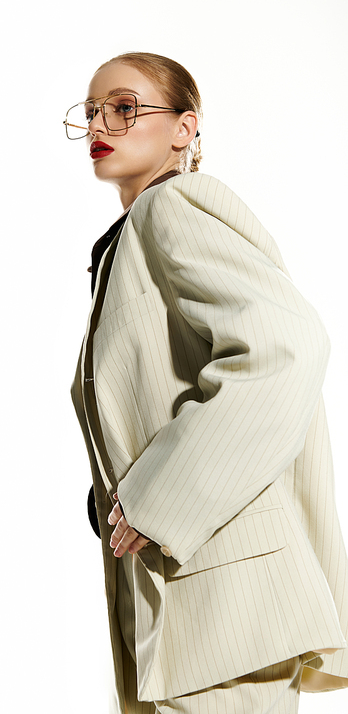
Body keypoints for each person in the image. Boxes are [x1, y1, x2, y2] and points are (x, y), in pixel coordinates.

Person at [67, 52, 348, 714]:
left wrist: (154, 497)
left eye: (125, 107)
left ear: (184, 129)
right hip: (192, 603)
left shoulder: (178, 207)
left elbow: (285, 347)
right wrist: (116, 499)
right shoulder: (133, 238)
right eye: (91, 111)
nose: (101, 123)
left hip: (225, 602)